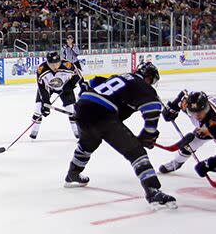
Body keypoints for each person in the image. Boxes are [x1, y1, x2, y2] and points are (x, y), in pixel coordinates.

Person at [63, 62, 177, 209]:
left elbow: (90, 83)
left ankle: (73, 174)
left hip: (82, 108)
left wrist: (85, 101)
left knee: (88, 144)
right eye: (152, 81)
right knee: (136, 152)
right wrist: (148, 134)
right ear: (148, 77)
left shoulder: (119, 77)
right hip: (102, 114)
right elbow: (152, 110)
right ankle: (153, 191)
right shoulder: (142, 84)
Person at [158, 91, 215, 173]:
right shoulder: (186, 103)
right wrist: (172, 109)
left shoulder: (213, 120)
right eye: (193, 112)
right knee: (189, 145)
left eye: (200, 112)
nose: (197, 116)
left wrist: (209, 164)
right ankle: (177, 162)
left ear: (206, 108)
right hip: (205, 127)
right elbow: (183, 94)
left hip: (211, 126)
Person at [29, 51, 82, 139]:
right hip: (48, 88)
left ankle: (77, 132)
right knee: (38, 108)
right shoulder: (41, 69)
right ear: (47, 62)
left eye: (57, 63)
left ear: (60, 61)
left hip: (64, 87)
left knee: (71, 110)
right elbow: (42, 88)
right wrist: (46, 103)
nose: (55, 66)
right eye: (52, 64)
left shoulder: (67, 65)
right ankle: (34, 131)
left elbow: (78, 75)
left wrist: (70, 86)